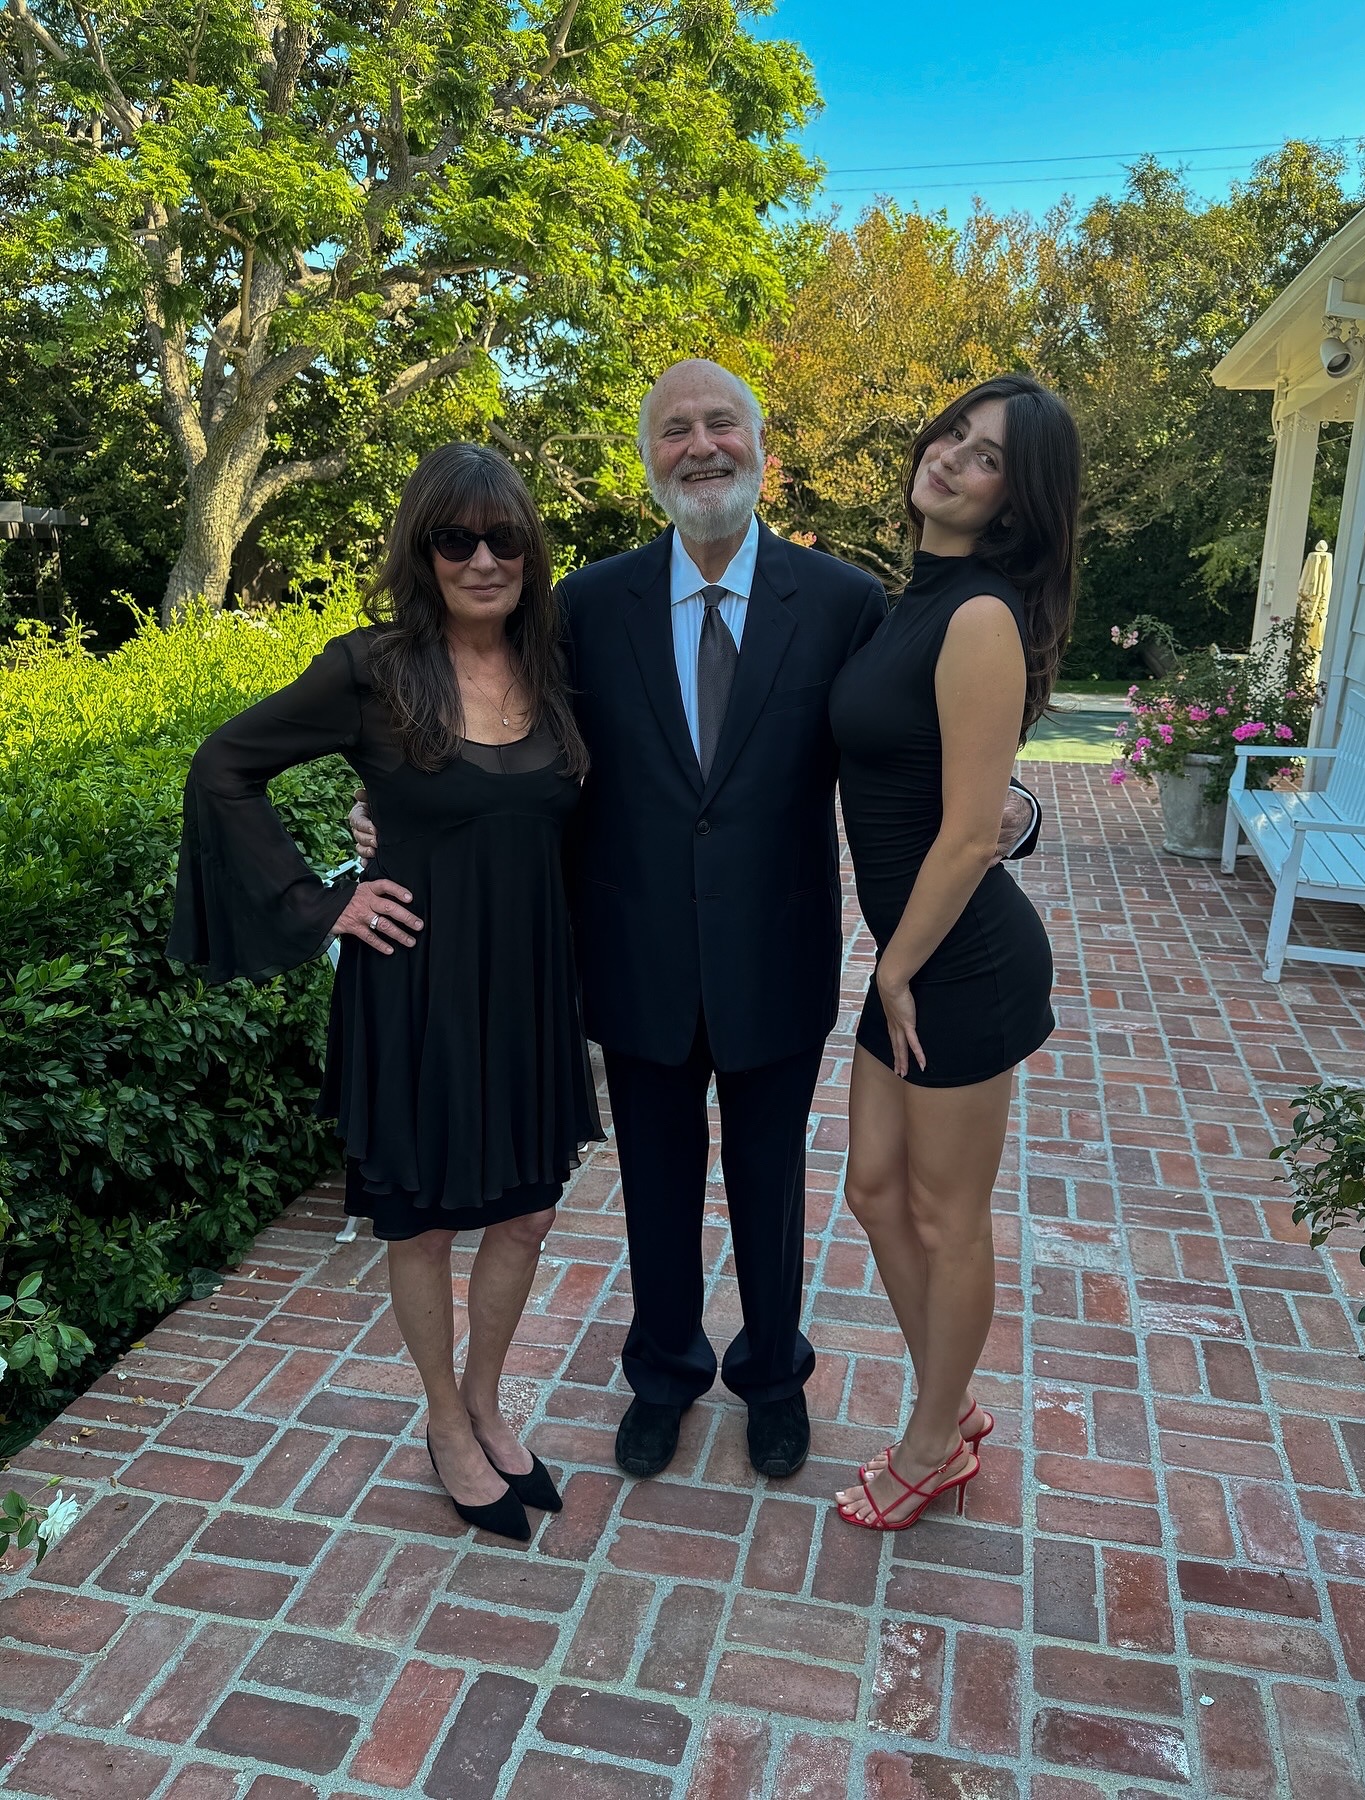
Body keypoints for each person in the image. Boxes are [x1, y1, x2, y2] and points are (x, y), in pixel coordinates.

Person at [354, 360, 1041, 1482]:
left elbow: (908, 744)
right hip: (636, 954)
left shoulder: (842, 602)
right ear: (649, 461)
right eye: (676, 430)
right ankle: (664, 1372)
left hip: (777, 948)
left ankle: (774, 1374)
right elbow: (503, 736)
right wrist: (392, 804)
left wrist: (1016, 804)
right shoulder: (584, 606)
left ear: (762, 446)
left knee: (774, 1191)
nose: (701, 444)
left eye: (723, 422)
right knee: (656, 1190)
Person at [169, 444, 600, 1542]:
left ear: (529, 549)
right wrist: (324, 906)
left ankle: (491, 1403)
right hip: (413, 987)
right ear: (423, 550)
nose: (483, 557)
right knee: (421, 1226)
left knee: (530, 1208)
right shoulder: (370, 669)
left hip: (529, 988)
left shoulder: (555, 668)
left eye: (503, 536)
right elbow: (224, 767)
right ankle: (444, 1422)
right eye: (456, 538)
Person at [829, 373, 1080, 1530]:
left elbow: (975, 828)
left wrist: (893, 965)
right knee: (874, 1191)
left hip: (957, 963)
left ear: (1012, 505)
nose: (951, 458)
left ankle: (935, 1442)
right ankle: (952, 1397)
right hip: (911, 956)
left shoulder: (979, 616)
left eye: (985, 458)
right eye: (952, 434)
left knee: (947, 1214)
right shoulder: (908, 602)